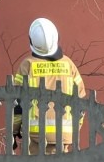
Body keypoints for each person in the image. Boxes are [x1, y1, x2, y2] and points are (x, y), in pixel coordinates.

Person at [13, 18, 86, 154]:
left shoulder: (27, 65)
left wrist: (14, 131)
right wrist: (74, 128)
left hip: (36, 133)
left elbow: (17, 103)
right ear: (56, 37)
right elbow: (81, 102)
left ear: (31, 41)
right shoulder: (69, 64)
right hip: (64, 133)